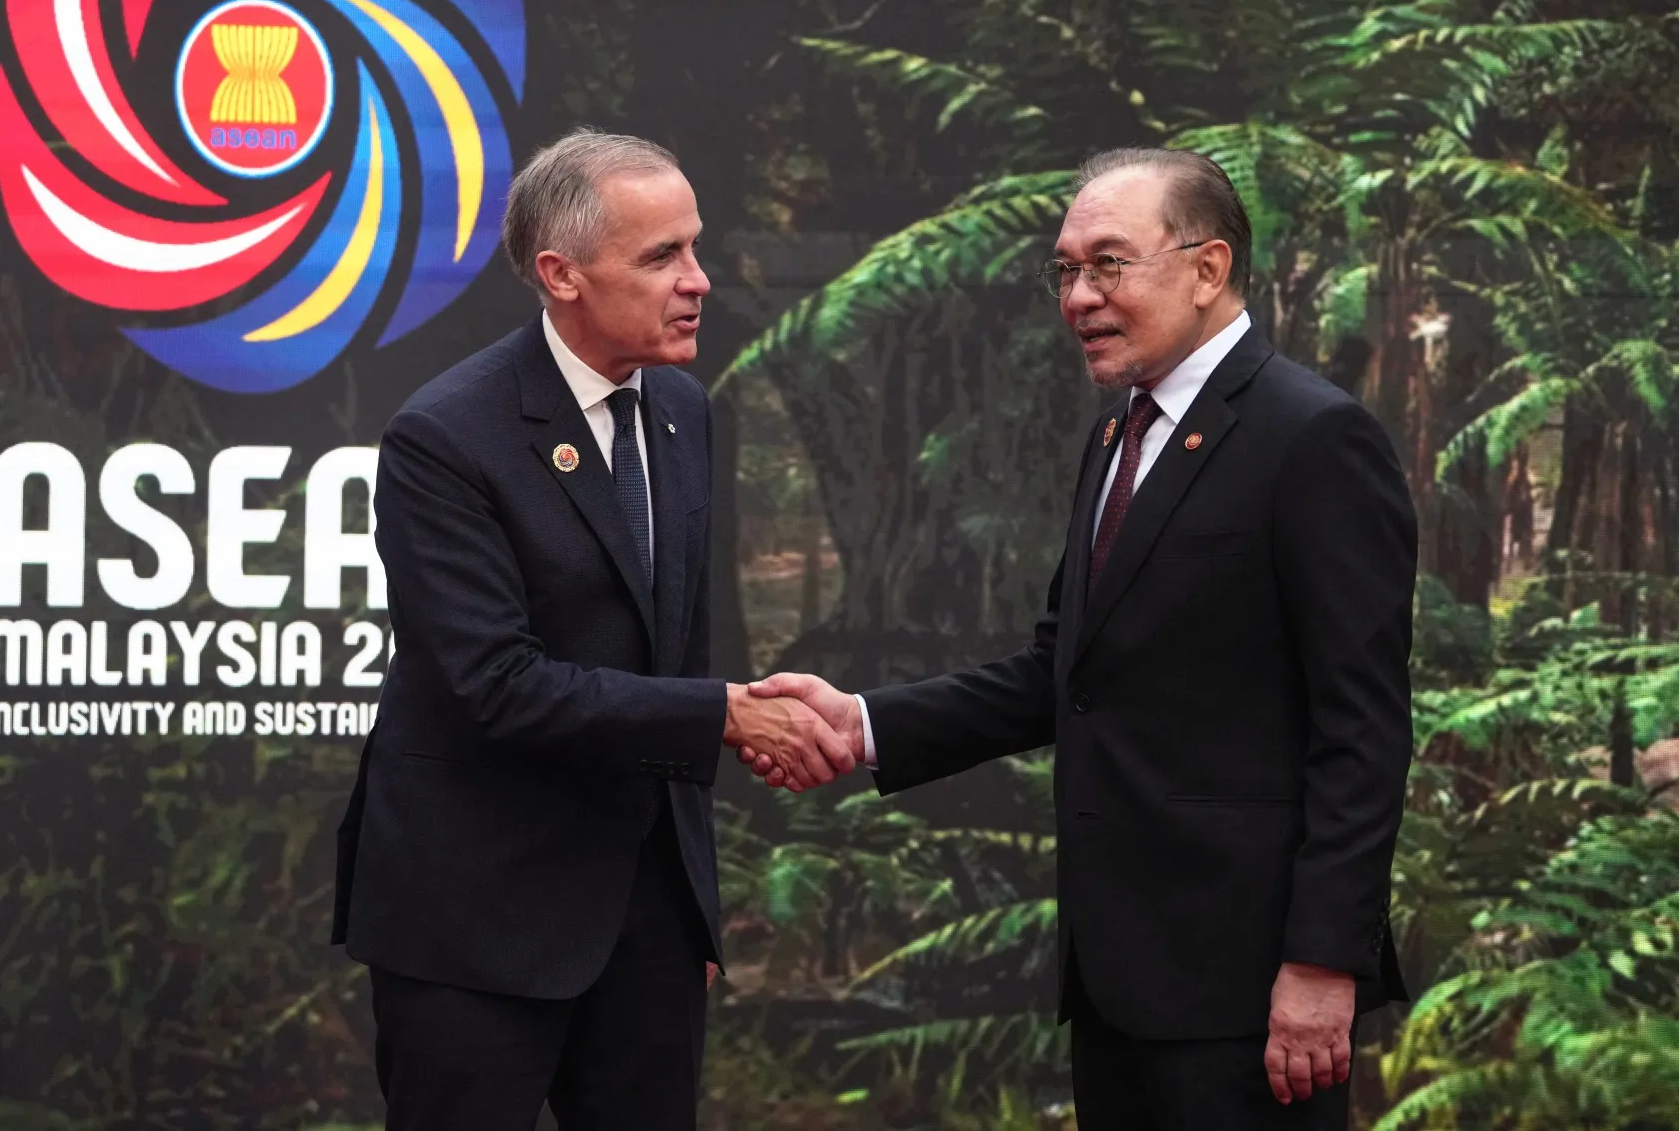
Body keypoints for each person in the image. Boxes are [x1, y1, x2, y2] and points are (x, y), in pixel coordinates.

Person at [742, 148, 1415, 1129]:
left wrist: (1319, 962)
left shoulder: (1312, 438)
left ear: (1206, 268)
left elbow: (1362, 730)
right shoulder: (1117, 435)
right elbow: (1060, 673)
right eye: (1063, 269)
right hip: (1117, 979)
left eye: (1107, 263)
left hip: (1247, 990)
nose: (1077, 296)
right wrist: (861, 723)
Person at [332, 128, 856, 1131]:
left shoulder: (683, 412)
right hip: (472, 922)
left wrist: (689, 903)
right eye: (662, 257)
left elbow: (676, 651)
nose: (697, 280)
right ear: (560, 274)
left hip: (644, 922)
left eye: (694, 247)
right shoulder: (444, 437)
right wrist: (725, 719)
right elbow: (496, 683)